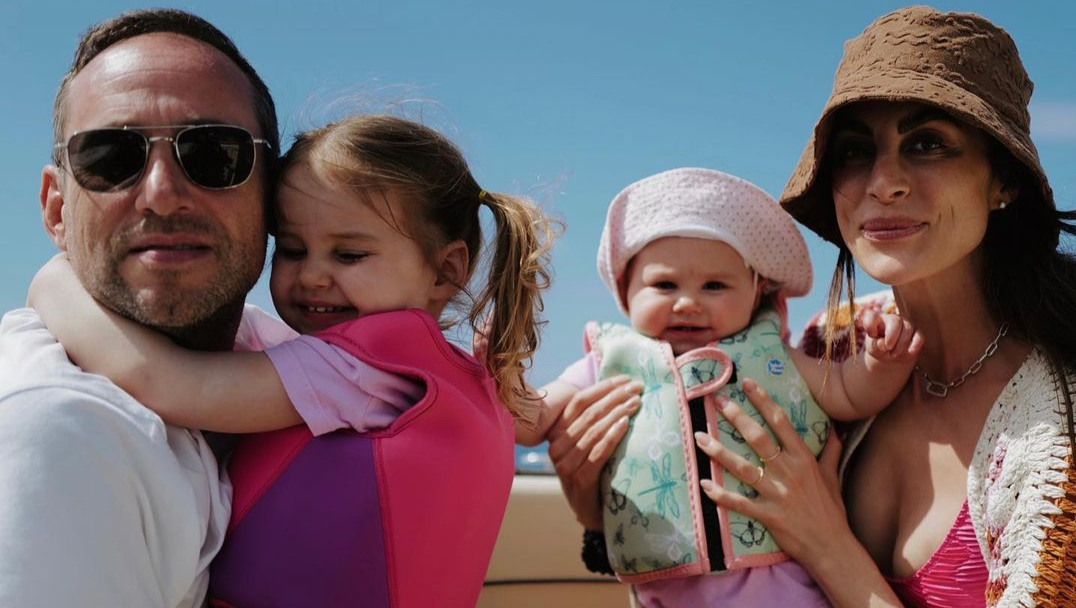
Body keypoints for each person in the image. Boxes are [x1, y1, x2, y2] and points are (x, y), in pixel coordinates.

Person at [30, 114, 557, 608]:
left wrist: (54, 283)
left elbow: (164, 382)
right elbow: (529, 417)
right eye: (293, 249)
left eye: (349, 255)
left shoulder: (355, 371)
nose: (312, 277)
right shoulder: (443, 375)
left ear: (445, 272)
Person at [691, 7, 1076, 608]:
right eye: (854, 150)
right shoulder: (823, 347)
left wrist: (827, 544)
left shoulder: (1064, 425)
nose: (883, 182)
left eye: (927, 144)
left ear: (1003, 181)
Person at [535, 167, 921, 606]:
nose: (688, 302)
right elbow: (536, 414)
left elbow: (851, 394)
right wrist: (498, 377)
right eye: (664, 284)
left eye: (715, 285)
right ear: (627, 292)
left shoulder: (774, 356)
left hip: (786, 592)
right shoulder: (608, 362)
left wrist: (880, 361)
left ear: (757, 292)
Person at [0, 9, 280, 607]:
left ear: (274, 196)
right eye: (110, 156)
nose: (161, 193)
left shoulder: (271, 351)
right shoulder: (58, 431)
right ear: (56, 210)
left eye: (213, 154)